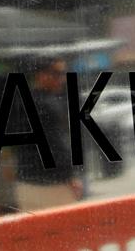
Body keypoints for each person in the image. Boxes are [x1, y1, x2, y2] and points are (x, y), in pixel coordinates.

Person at [14, 59, 82, 212]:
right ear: (41, 75)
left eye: (63, 74)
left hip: (28, 181)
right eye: (57, 73)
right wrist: (70, 176)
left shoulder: (25, 100)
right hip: (51, 184)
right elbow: (55, 143)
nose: (62, 79)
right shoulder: (45, 103)